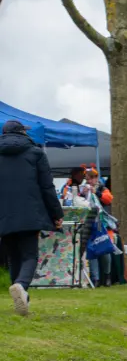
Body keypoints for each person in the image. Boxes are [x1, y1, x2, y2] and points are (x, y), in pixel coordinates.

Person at [0, 120, 64, 315]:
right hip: (30, 212)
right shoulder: (35, 153)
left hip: (3, 213)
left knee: (13, 256)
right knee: (29, 255)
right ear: (22, 133)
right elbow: (47, 187)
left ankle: (21, 296)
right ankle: (21, 285)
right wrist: (56, 213)